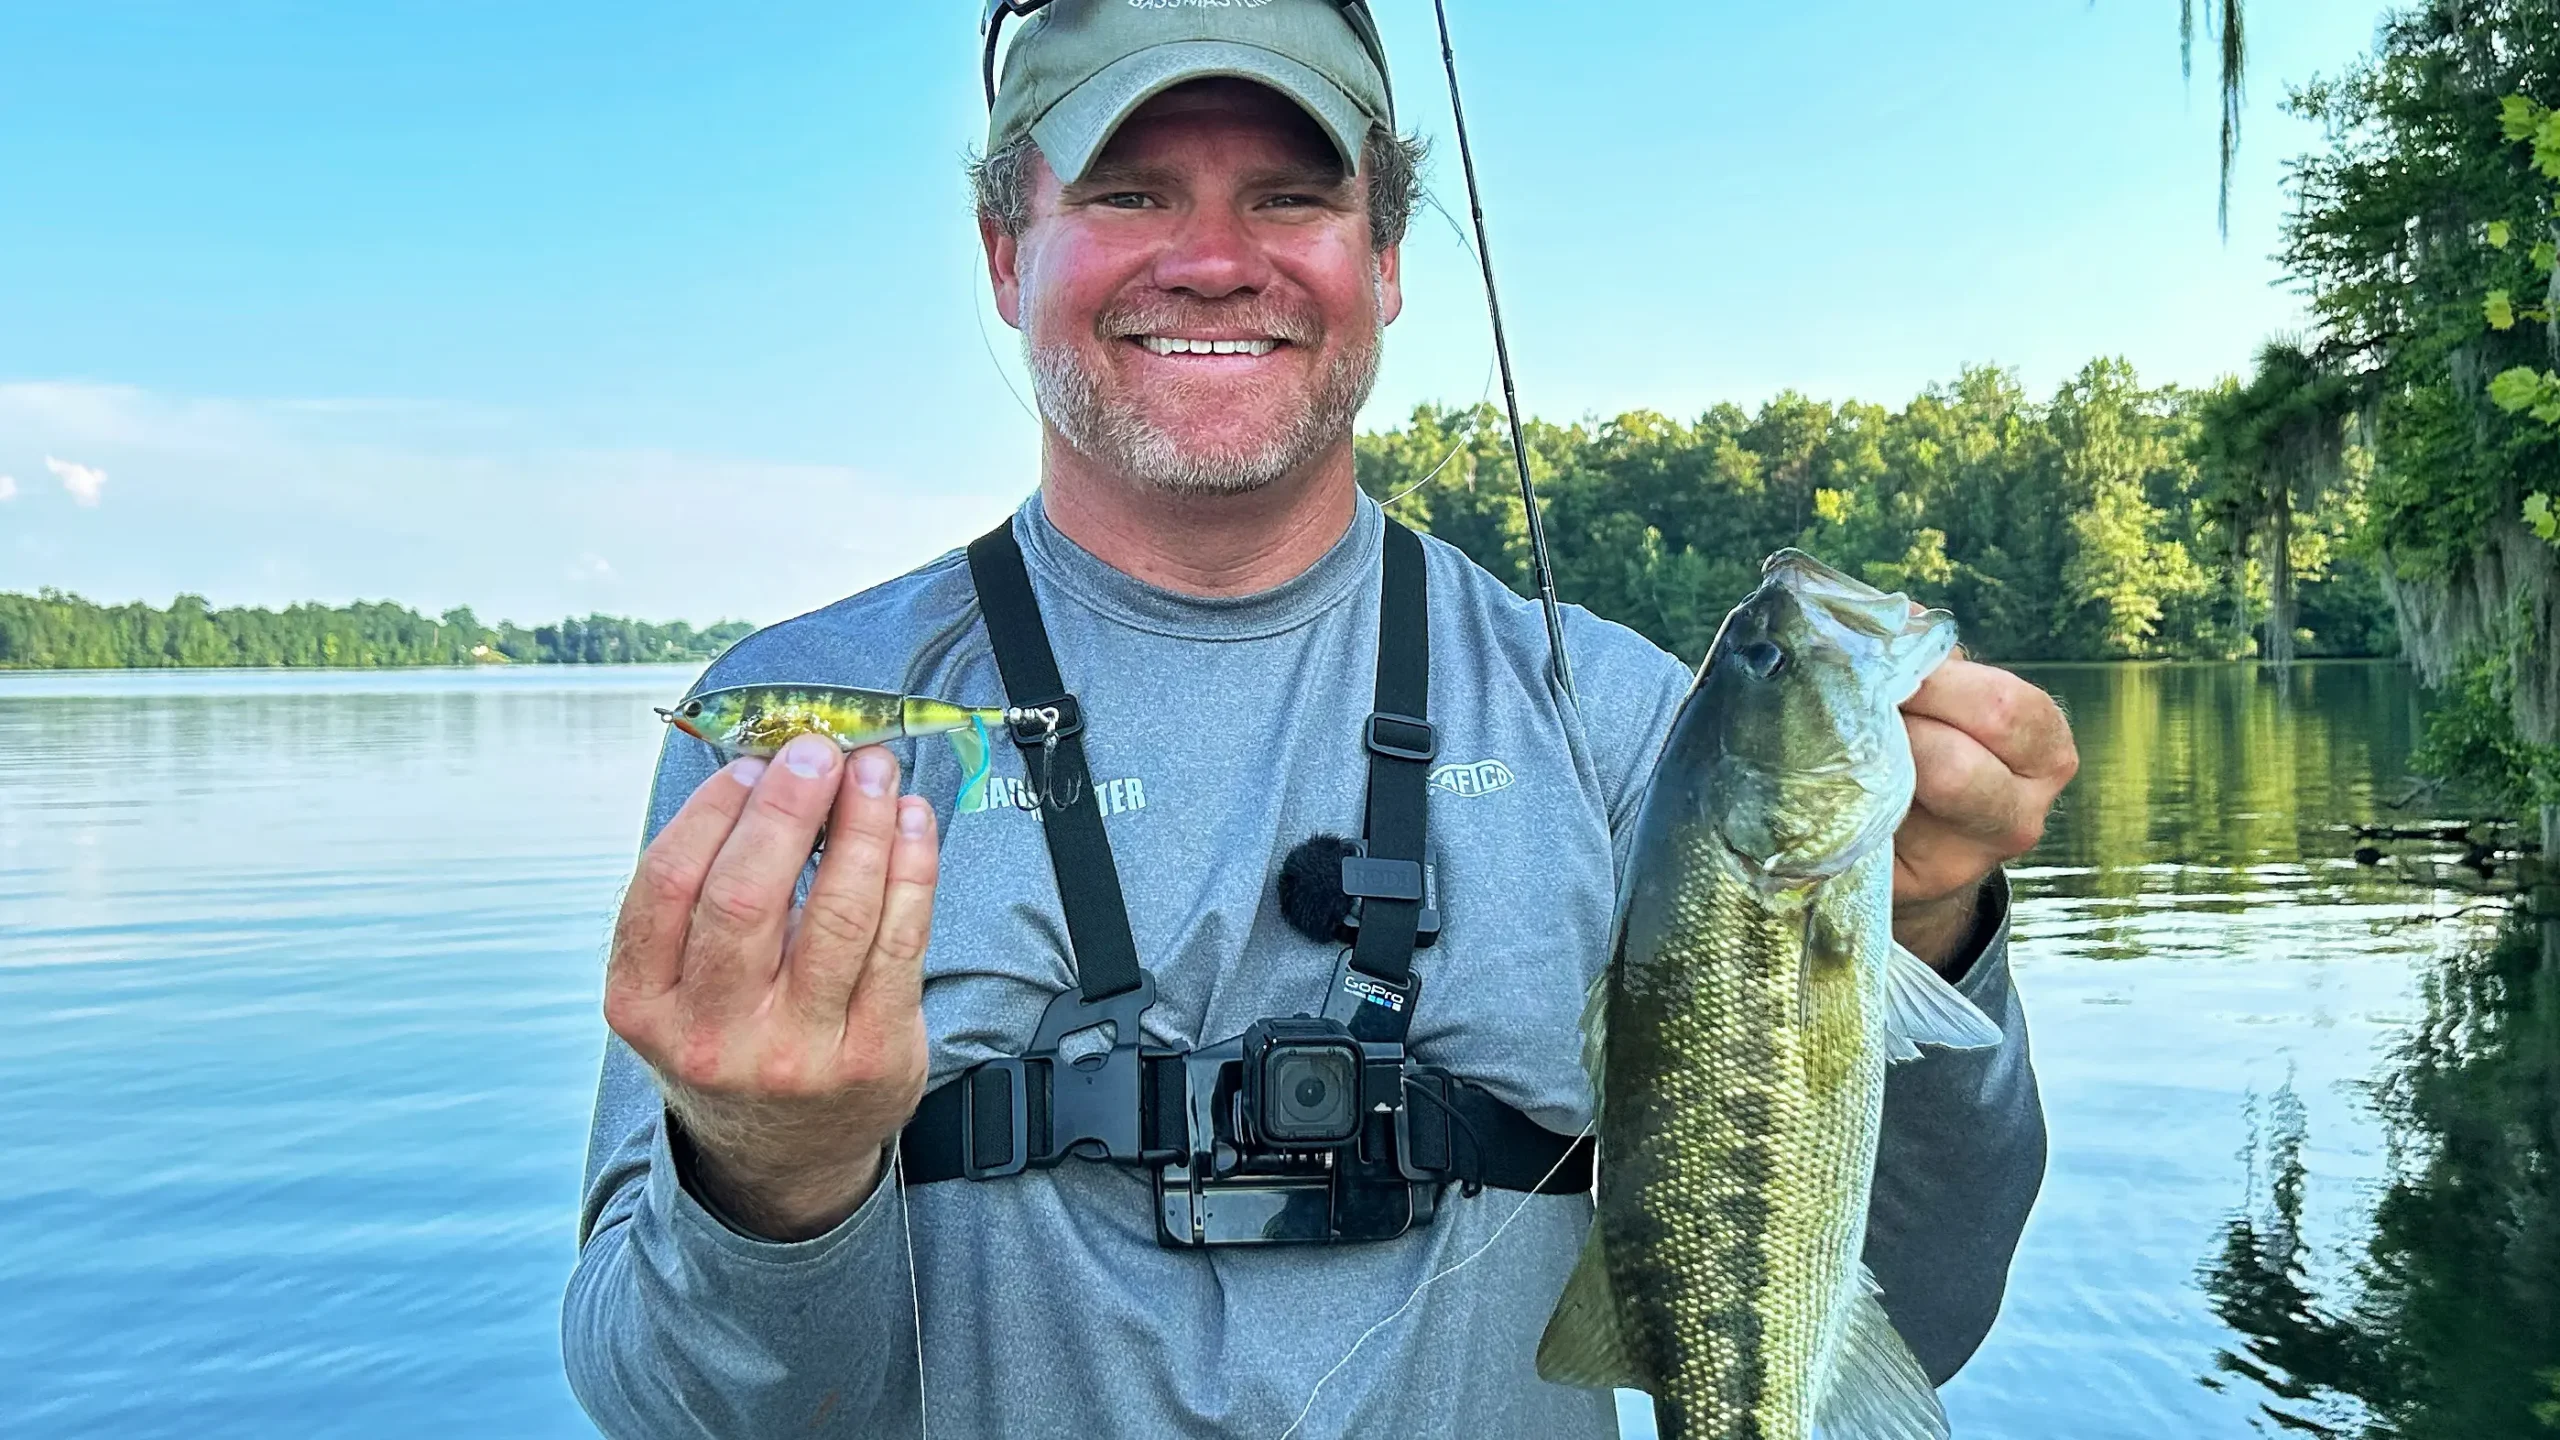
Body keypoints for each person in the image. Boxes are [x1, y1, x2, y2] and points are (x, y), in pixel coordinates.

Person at [562, 3, 2072, 1436]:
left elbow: (1918, 1311)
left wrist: (1930, 927)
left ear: (1387, 258)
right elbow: (676, 1409)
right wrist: (768, 1178)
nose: (1216, 263)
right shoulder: (807, 737)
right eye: (1131, 194)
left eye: (1291, 198)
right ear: (1006, 252)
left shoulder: (1620, 725)